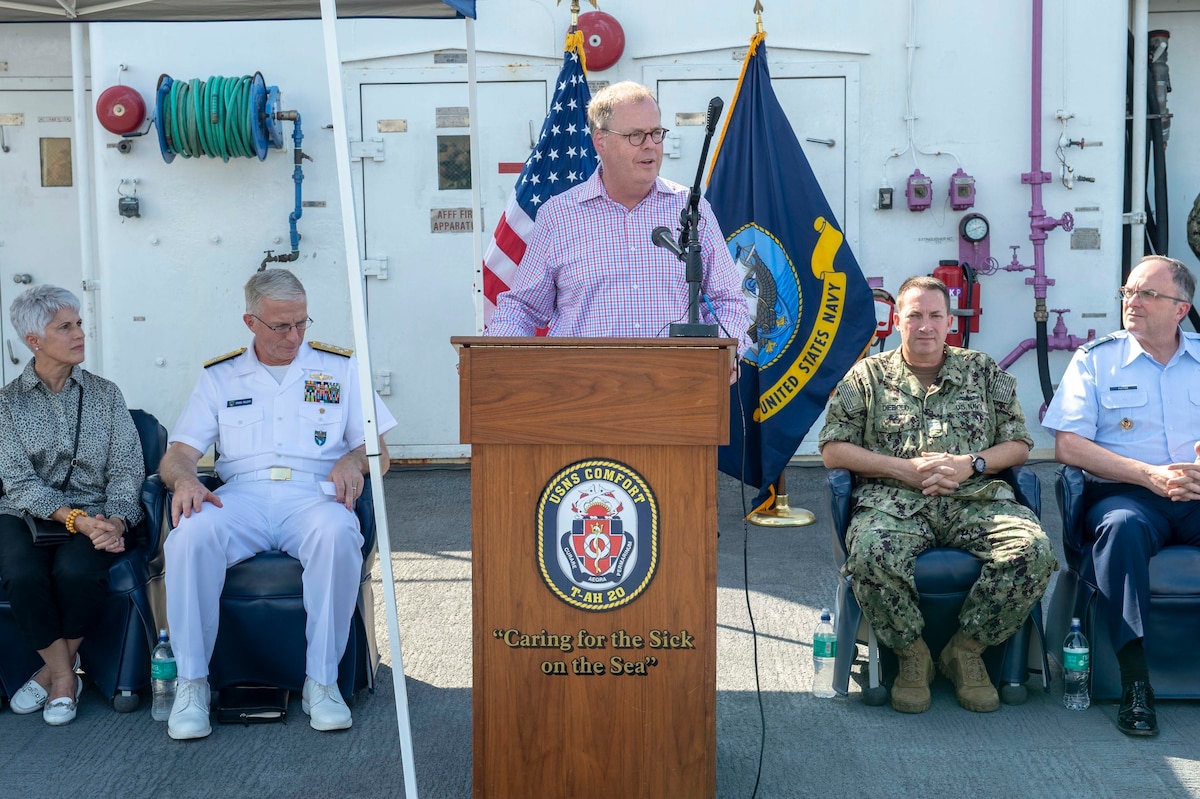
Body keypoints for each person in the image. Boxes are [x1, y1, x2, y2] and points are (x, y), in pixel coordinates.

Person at [158, 268, 395, 740]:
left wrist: (354, 461)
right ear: (251, 322)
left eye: (302, 323)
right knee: (189, 537)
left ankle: (322, 682)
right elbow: (177, 456)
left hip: (312, 493)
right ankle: (192, 684)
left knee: (336, 534)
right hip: (240, 495)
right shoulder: (220, 376)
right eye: (281, 326)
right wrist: (184, 480)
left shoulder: (340, 367)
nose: (295, 336)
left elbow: (379, 452)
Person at [819, 275, 1056, 714]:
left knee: (1033, 550)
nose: (924, 326)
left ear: (950, 322)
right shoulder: (866, 376)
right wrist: (902, 470)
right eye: (914, 315)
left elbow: (1019, 443)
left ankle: (966, 651)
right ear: (895, 320)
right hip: (894, 503)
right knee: (870, 552)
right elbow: (833, 449)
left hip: (977, 499)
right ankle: (913, 654)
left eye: (935, 316)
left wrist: (973, 464)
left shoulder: (983, 371)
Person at [1042, 254, 1200, 737]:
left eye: (1147, 293)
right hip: (1126, 496)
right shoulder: (1095, 360)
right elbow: (1068, 444)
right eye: (1128, 292)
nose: (1133, 301)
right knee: (1121, 529)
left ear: (1181, 307)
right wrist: (1147, 475)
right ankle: (1135, 682)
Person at [487, 80, 750, 353]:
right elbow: (524, 308)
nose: (650, 146)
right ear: (601, 141)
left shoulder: (692, 210)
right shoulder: (559, 216)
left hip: (675, 387)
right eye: (636, 135)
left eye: (656, 133)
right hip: (583, 387)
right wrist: (489, 356)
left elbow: (728, 301)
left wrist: (727, 355)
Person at [0, 285, 145, 726]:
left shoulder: (105, 394)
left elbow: (126, 469)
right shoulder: (6, 404)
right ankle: (64, 676)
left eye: (79, 323)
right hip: (24, 515)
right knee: (23, 575)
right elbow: (18, 482)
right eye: (65, 327)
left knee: (77, 571)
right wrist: (77, 522)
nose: (80, 333)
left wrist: (116, 520)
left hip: (98, 511)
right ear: (34, 341)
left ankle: (50, 676)